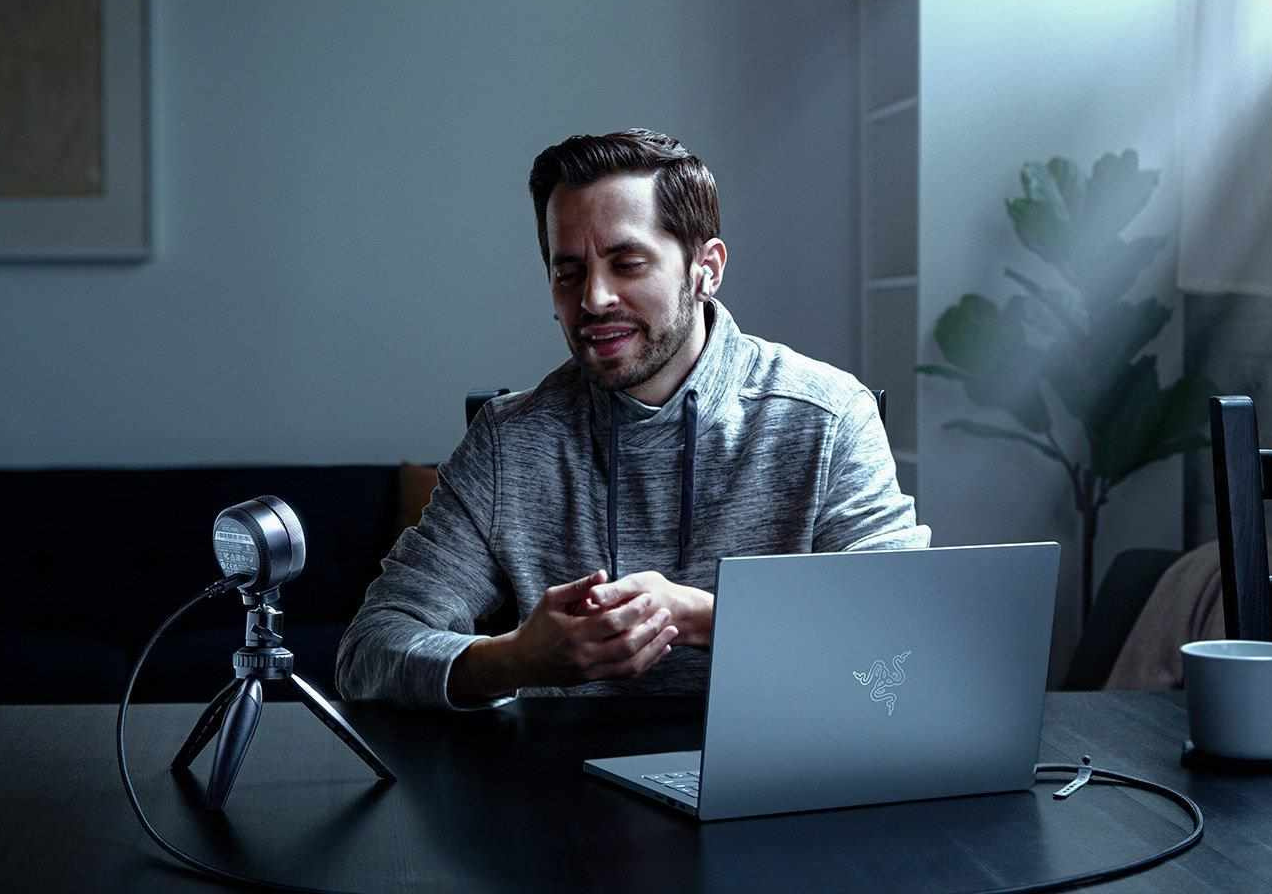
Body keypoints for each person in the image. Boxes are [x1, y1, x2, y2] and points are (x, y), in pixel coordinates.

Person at [335, 129, 929, 708]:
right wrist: (515, 659)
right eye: (569, 273)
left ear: (707, 267)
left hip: (781, 764)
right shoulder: (508, 443)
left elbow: (904, 637)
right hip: (558, 774)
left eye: (628, 263)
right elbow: (368, 651)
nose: (593, 299)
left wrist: (698, 617)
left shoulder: (826, 418)